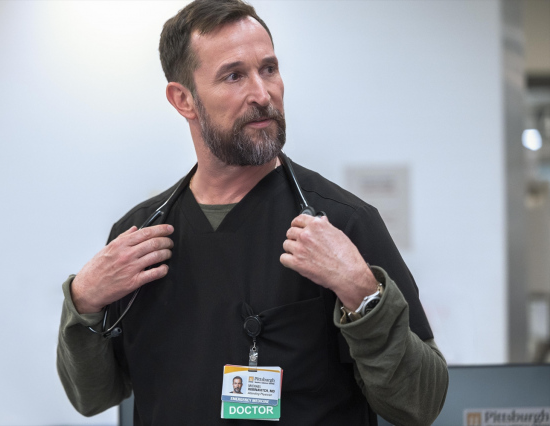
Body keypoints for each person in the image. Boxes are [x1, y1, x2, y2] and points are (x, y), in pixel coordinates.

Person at [56, 0, 449, 425]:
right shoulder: (140, 239)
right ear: (183, 99)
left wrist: (363, 293)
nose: (263, 95)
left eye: (269, 69)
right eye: (234, 75)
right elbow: (92, 396)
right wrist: (83, 301)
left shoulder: (342, 223)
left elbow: (420, 404)